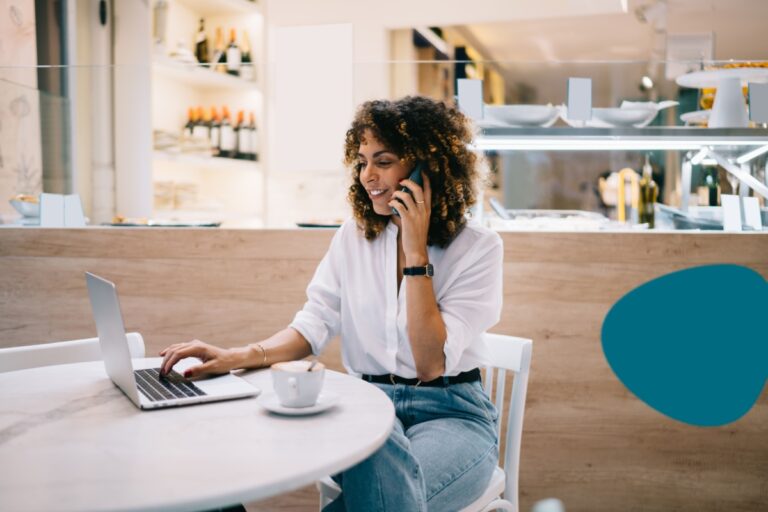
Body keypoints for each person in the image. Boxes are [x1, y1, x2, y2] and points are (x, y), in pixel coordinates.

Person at [160, 96, 504, 511]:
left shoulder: (478, 248)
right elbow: (314, 324)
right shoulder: (354, 237)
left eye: (383, 161)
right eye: (362, 162)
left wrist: (416, 253)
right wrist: (236, 356)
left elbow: (430, 362)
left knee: (383, 499)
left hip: (452, 414)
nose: (367, 176)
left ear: (427, 168)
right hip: (370, 407)